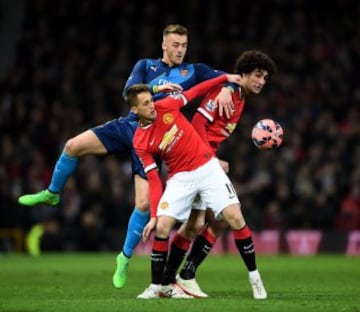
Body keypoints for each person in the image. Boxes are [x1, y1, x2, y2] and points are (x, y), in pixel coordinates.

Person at [17, 24, 236, 288]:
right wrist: (160, 90)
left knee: (143, 204)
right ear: (164, 45)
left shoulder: (194, 71)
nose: (180, 50)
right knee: (73, 145)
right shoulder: (146, 66)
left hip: (154, 139)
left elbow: (232, 78)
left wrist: (227, 88)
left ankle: (123, 258)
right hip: (128, 126)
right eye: (175, 45)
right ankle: (52, 193)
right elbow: (129, 93)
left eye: (184, 45)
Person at [126, 73, 263, 299]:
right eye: (146, 104)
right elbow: (153, 180)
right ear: (134, 111)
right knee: (162, 226)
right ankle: (158, 286)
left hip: (206, 167)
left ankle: (254, 278)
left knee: (233, 218)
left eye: (151, 100)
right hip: (180, 178)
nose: (152, 106)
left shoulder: (166, 106)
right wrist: (153, 215)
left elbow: (196, 92)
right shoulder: (140, 143)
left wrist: (225, 79)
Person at [167, 50, 277, 299]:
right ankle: (255, 279)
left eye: (265, 78)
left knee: (203, 223)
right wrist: (211, 158)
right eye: (257, 75)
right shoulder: (225, 92)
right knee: (232, 216)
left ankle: (179, 277)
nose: (261, 81)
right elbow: (197, 123)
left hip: (199, 160)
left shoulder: (238, 95)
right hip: (198, 161)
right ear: (244, 74)